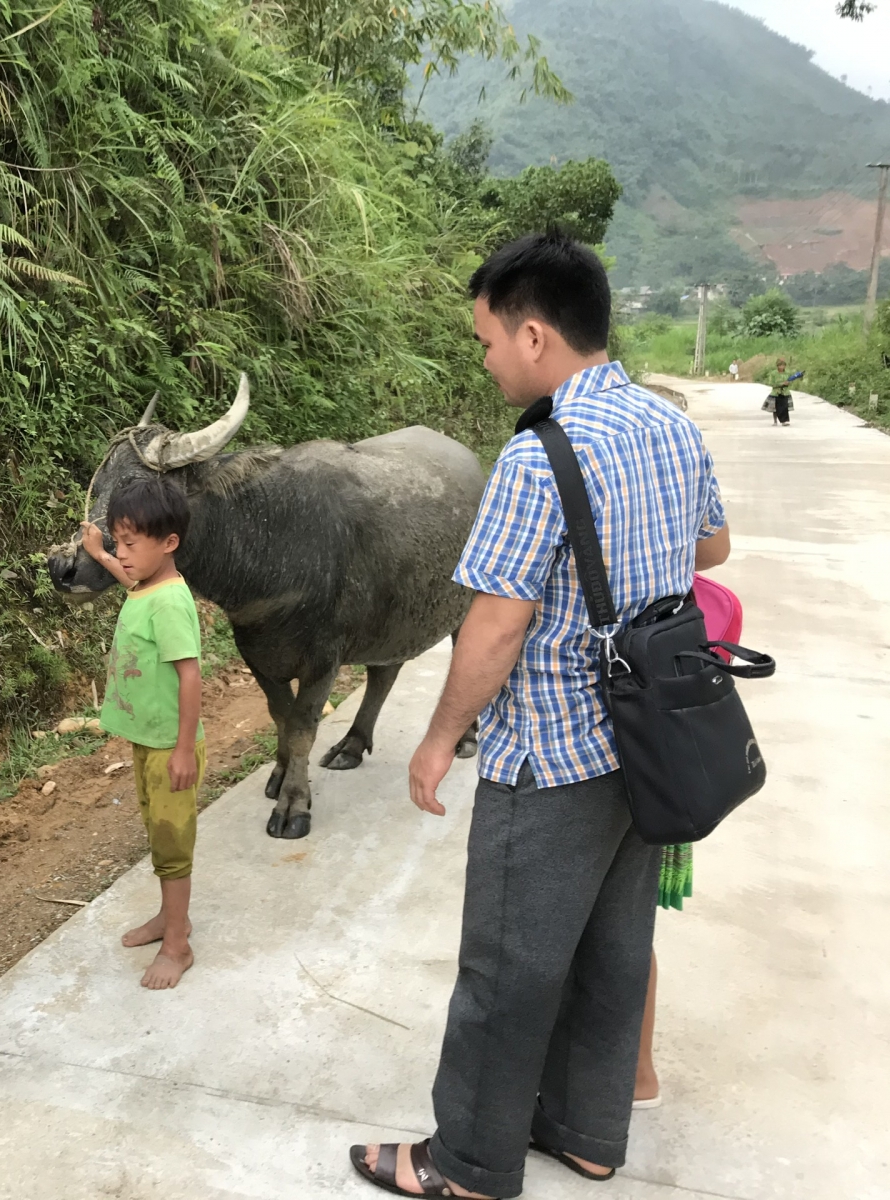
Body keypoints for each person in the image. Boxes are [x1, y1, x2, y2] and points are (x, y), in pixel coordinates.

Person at [353, 232, 730, 1198]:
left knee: (505, 970)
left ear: (532, 335)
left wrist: (438, 739)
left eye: (484, 342)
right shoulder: (670, 425)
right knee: (615, 951)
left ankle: (469, 1163)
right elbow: (714, 546)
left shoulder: (538, 454)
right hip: (648, 745)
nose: (482, 362)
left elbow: (494, 625)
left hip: (553, 753)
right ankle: (590, 1132)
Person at [79, 476, 204, 990]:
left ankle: (178, 944)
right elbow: (132, 581)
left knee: (172, 842)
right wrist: (99, 554)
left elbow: (191, 675)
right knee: (157, 831)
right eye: (117, 542)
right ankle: (169, 919)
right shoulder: (147, 584)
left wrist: (182, 751)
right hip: (148, 741)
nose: (122, 554)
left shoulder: (172, 603)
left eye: (131, 544)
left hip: (168, 747)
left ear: (169, 543)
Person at [633, 571, 744, 1109]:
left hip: (637, 722)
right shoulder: (688, 481)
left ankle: (635, 1074)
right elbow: (716, 546)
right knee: (627, 924)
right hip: (668, 713)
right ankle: (635, 1072)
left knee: (617, 928)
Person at [763, 357, 794, 426]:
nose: (782, 367)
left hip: (785, 392)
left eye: (783, 365)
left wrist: (788, 383)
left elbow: (790, 381)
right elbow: (771, 383)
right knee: (775, 408)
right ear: (777, 366)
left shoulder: (787, 373)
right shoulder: (773, 374)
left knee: (785, 407)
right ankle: (775, 421)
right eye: (780, 365)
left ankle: (784, 421)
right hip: (776, 393)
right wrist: (781, 384)